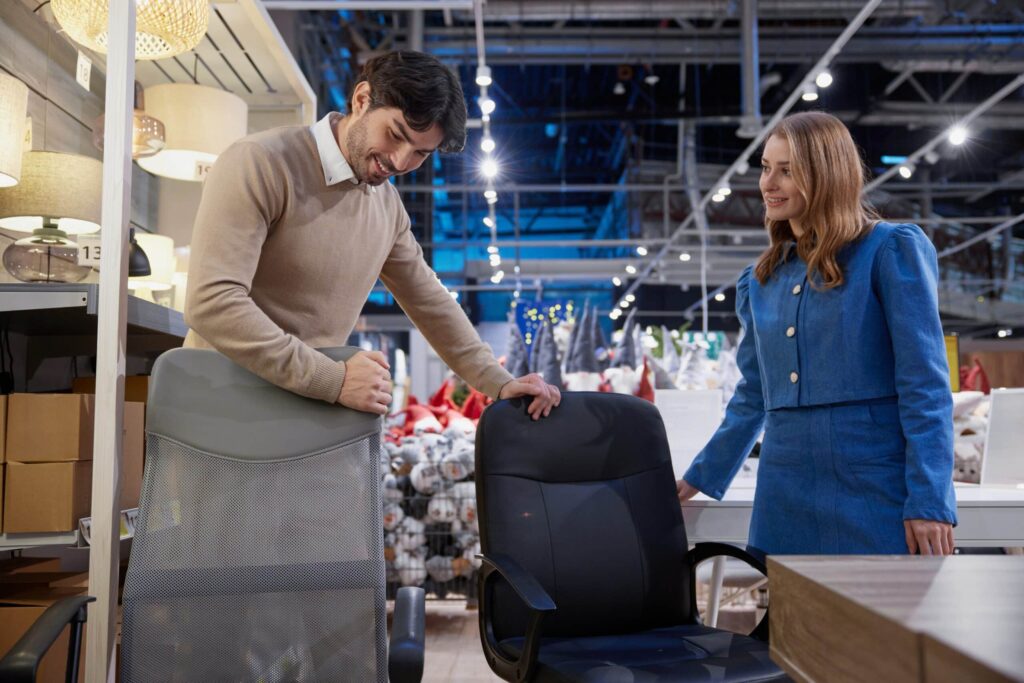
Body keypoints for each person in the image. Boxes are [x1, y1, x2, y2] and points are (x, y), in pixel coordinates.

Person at [184, 51, 559, 420]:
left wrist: (498, 381)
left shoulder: (387, 206)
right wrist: (333, 379)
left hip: (299, 414)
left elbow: (430, 301)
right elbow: (213, 302)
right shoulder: (261, 161)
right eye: (395, 135)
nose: (400, 161)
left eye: (420, 154)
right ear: (362, 99)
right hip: (219, 410)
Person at [676, 112, 956, 556]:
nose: (769, 183)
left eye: (787, 170)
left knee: (875, 622)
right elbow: (753, 394)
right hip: (783, 489)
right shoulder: (760, 280)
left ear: (826, 174)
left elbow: (925, 385)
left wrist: (930, 497)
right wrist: (697, 477)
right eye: (766, 167)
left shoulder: (888, 250)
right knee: (791, 621)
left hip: (872, 486)